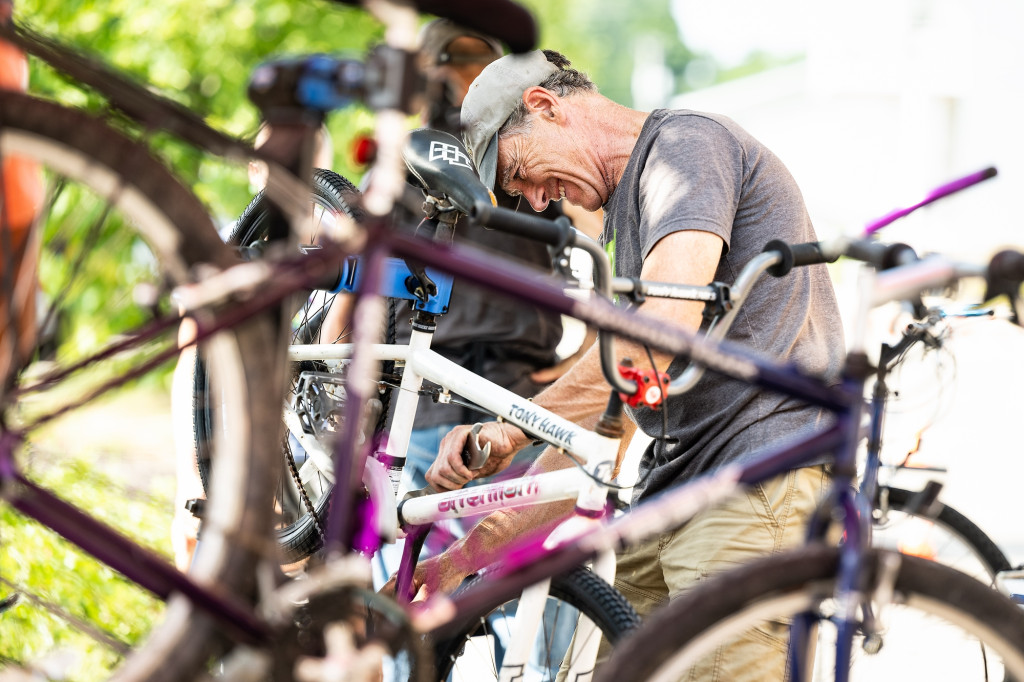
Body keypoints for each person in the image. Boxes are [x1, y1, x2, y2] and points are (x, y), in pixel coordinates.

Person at [395, 49, 846, 680]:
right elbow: (608, 419)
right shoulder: (631, 214)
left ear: (544, 106)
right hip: (677, 489)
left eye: (516, 170)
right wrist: (462, 559)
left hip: (755, 477)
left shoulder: (685, 148)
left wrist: (514, 424)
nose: (527, 199)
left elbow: (653, 342)